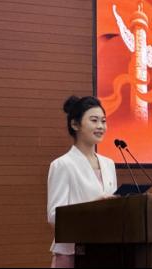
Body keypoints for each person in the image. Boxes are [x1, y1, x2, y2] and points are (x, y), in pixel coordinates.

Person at [46, 96, 118, 268]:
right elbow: (54, 216)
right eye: (94, 120)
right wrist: (92, 207)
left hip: (105, 250)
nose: (100, 126)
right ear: (75, 125)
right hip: (73, 254)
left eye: (103, 121)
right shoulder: (62, 165)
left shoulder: (109, 164)